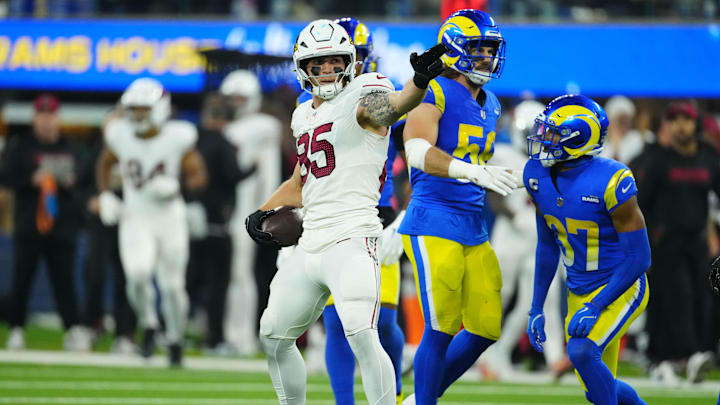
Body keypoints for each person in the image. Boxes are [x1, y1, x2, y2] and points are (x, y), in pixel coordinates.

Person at [245, 18, 449, 405]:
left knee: (361, 331)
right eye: (317, 64)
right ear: (302, 68)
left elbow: (390, 107)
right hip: (311, 242)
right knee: (273, 334)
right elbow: (302, 180)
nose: (327, 70)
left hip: (353, 237)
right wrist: (262, 211)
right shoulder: (303, 113)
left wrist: (418, 84)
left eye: (335, 61)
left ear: (351, 62)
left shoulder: (364, 94)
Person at [397, 10, 518, 405]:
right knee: (441, 326)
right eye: (478, 49)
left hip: (473, 223)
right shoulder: (432, 89)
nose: (487, 57)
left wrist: (509, 175)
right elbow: (414, 149)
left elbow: (479, 164)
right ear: (453, 50)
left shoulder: (493, 103)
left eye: (490, 50)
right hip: (434, 217)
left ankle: (418, 399)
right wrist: (472, 172)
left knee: (486, 326)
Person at [295, 16, 407, 404]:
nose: (332, 69)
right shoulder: (308, 103)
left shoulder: (379, 93)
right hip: (331, 218)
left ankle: (393, 394)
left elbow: (416, 157)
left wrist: (408, 213)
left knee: (385, 320)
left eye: (348, 57)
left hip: (378, 214)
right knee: (337, 320)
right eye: (322, 61)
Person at [524, 94, 650, 405]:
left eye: (553, 132)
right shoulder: (536, 173)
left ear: (579, 136)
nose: (543, 138)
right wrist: (537, 306)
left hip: (620, 286)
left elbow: (639, 258)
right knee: (598, 389)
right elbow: (547, 246)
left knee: (581, 350)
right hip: (579, 288)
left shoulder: (612, 179)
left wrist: (597, 305)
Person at [96, 78, 208, 367]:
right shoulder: (119, 134)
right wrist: (106, 194)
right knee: (137, 274)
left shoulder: (178, 136)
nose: (137, 116)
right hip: (136, 216)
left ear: (159, 109)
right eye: (133, 110)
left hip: (170, 217)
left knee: (171, 286)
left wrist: (177, 186)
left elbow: (199, 176)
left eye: (143, 110)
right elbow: (105, 163)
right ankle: (148, 324)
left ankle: (174, 338)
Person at [481, 100, 571, 380]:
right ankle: (486, 355)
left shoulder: (553, 160)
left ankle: (554, 357)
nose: (538, 136)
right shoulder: (503, 154)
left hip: (539, 240)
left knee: (544, 297)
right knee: (499, 296)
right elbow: (492, 194)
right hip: (509, 237)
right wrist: (512, 213)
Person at [633, 101, 719, 384]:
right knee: (675, 299)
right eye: (675, 120)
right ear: (668, 125)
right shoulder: (659, 160)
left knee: (699, 300)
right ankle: (691, 356)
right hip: (666, 243)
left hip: (697, 244)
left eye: (687, 120)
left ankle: (663, 358)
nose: (681, 125)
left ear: (695, 124)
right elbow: (641, 203)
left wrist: (710, 233)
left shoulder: (708, 157)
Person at [1, 93, 91, 352]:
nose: (47, 121)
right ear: (35, 118)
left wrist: (71, 182)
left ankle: (72, 329)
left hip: (63, 226)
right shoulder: (20, 146)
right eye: (42, 116)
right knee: (22, 278)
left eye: (51, 116)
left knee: (64, 279)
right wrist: (32, 179)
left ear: (58, 118)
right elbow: (6, 176)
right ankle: (16, 329)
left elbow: (85, 182)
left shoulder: (73, 147)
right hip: (29, 224)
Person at [185, 93, 256, 353]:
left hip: (191, 220)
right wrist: (254, 167)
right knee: (217, 284)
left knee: (189, 280)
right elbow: (233, 173)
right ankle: (214, 337)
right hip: (216, 222)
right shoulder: (223, 142)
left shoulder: (193, 141)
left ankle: (177, 327)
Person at [221, 69, 283, 356]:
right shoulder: (235, 127)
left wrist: (267, 210)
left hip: (252, 211)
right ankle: (239, 334)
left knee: (249, 275)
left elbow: (267, 172)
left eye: (239, 98)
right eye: (231, 98)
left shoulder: (262, 125)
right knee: (238, 275)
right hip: (239, 210)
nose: (235, 103)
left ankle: (244, 335)